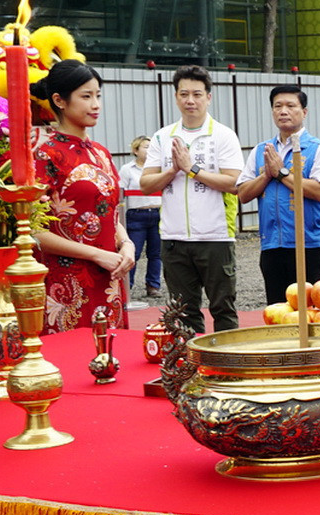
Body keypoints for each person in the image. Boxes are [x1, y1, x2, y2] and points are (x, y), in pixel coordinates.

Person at [31, 60, 133, 334]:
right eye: (86, 96)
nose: (96, 104)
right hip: (66, 282)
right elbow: (34, 231)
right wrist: (97, 254)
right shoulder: (45, 155)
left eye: (97, 95)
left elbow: (108, 212)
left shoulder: (101, 152)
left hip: (109, 276)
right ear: (59, 101)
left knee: (112, 360)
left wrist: (126, 245)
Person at [141, 66, 243, 334]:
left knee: (223, 307)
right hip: (174, 239)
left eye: (197, 94)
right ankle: (190, 367)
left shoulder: (223, 135)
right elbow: (145, 183)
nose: (190, 100)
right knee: (182, 311)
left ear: (209, 97)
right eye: (184, 94)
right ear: (175, 97)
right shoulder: (163, 137)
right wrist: (173, 169)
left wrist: (192, 170)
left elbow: (235, 183)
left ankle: (228, 367)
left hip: (215, 237)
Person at [236, 85, 320, 306]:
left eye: (290, 106)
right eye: (278, 106)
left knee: (311, 311)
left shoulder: (318, 148)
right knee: (278, 310)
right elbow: (243, 194)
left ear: (304, 112)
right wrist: (266, 176)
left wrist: (281, 173)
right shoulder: (262, 150)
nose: (283, 111)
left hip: (308, 245)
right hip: (272, 245)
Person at [119, 135, 162, 299]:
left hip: (156, 213)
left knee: (155, 253)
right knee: (133, 252)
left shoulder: (158, 169)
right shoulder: (127, 169)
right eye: (145, 146)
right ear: (135, 150)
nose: (149, 149)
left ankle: (153, 286)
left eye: (151, 146)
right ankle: (127, 286)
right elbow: (121, 192)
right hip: (136, 215)